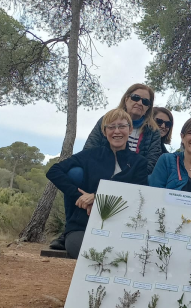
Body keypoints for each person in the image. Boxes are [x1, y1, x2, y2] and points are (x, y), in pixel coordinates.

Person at [46, 109, 148, 259]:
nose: (117, 131)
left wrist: (97, 197)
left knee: (121, 256)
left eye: (122, 126)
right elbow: (54, 171)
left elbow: (138, 196)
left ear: (130, 129)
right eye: (111, 127)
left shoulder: (139, 163)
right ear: (104, 131)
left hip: (121, 226)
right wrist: (80, 197)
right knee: (88, 253)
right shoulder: (90, 155)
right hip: (83, 225)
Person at [83, 83, 162, 173]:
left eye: (145, 101)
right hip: (102, 170)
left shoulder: (153, 131)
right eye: (135, 98)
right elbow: (89, 149)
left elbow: (152, 163)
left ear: (148, 107)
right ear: (126, 99)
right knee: (75, 172)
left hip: (135, 177)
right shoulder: (106, 120)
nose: (140, 103)